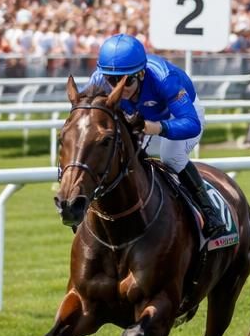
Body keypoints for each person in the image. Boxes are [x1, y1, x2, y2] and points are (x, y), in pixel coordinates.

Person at [84, 33, 229, 239]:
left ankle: (210, 213)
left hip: (177, 115)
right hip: (139, 114)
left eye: (126, 81)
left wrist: (157, 127)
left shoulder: (164, 78)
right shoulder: (98, 79)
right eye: (111, 80)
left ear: (141, 74)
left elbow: (191, 124)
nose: (117, 88)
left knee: (171, 157)